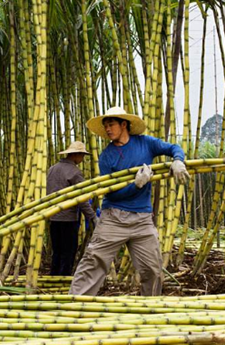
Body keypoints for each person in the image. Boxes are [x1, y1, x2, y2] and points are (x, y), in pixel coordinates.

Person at [69, 106, 190, 296]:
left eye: (111, 125)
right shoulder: (106, 156)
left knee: (152, 268)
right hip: (113, 217)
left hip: (142, 219)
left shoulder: (145, 143)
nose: (108, 129)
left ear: (123, 124)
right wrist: (137, 184)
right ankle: (75, 305)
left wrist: (178, 160)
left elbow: (173, 147)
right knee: (93, 261)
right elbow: (112, 194)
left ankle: (150, 308)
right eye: (106, 126)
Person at [47, 141, 99, 276]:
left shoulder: (52, 169)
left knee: (57, 250)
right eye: (82, 156)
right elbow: (81, 199)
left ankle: (54, 277)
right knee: (68, 251)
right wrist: (92, 216)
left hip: (53, 217)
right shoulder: (74, 172)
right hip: (68, 219)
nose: (82, 159)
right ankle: (63, 279)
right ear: (76, 155)